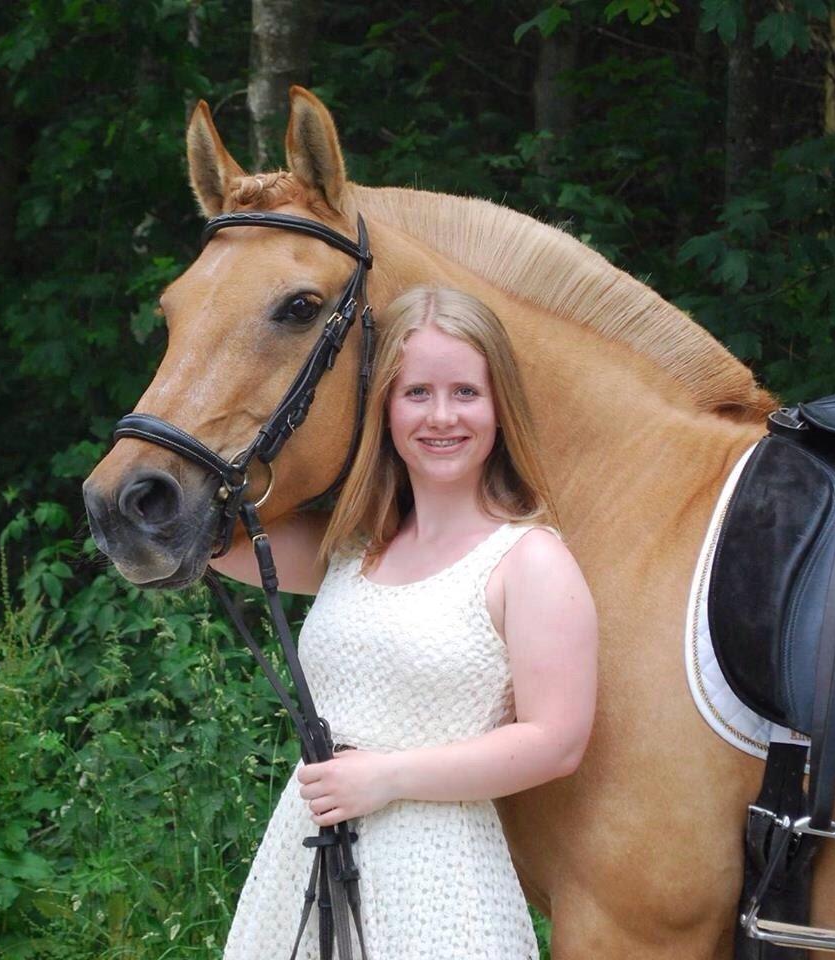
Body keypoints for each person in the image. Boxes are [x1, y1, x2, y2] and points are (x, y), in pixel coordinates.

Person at [214, 286, 598, 960]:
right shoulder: (355, 548)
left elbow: (556, 741)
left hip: (437, 880)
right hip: (306, 860)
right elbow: (218, 538)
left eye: (466, 393)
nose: (442, 416)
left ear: (499, 407)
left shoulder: (529, 561)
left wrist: (386, 777)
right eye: (417, 392)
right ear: (385, 409)